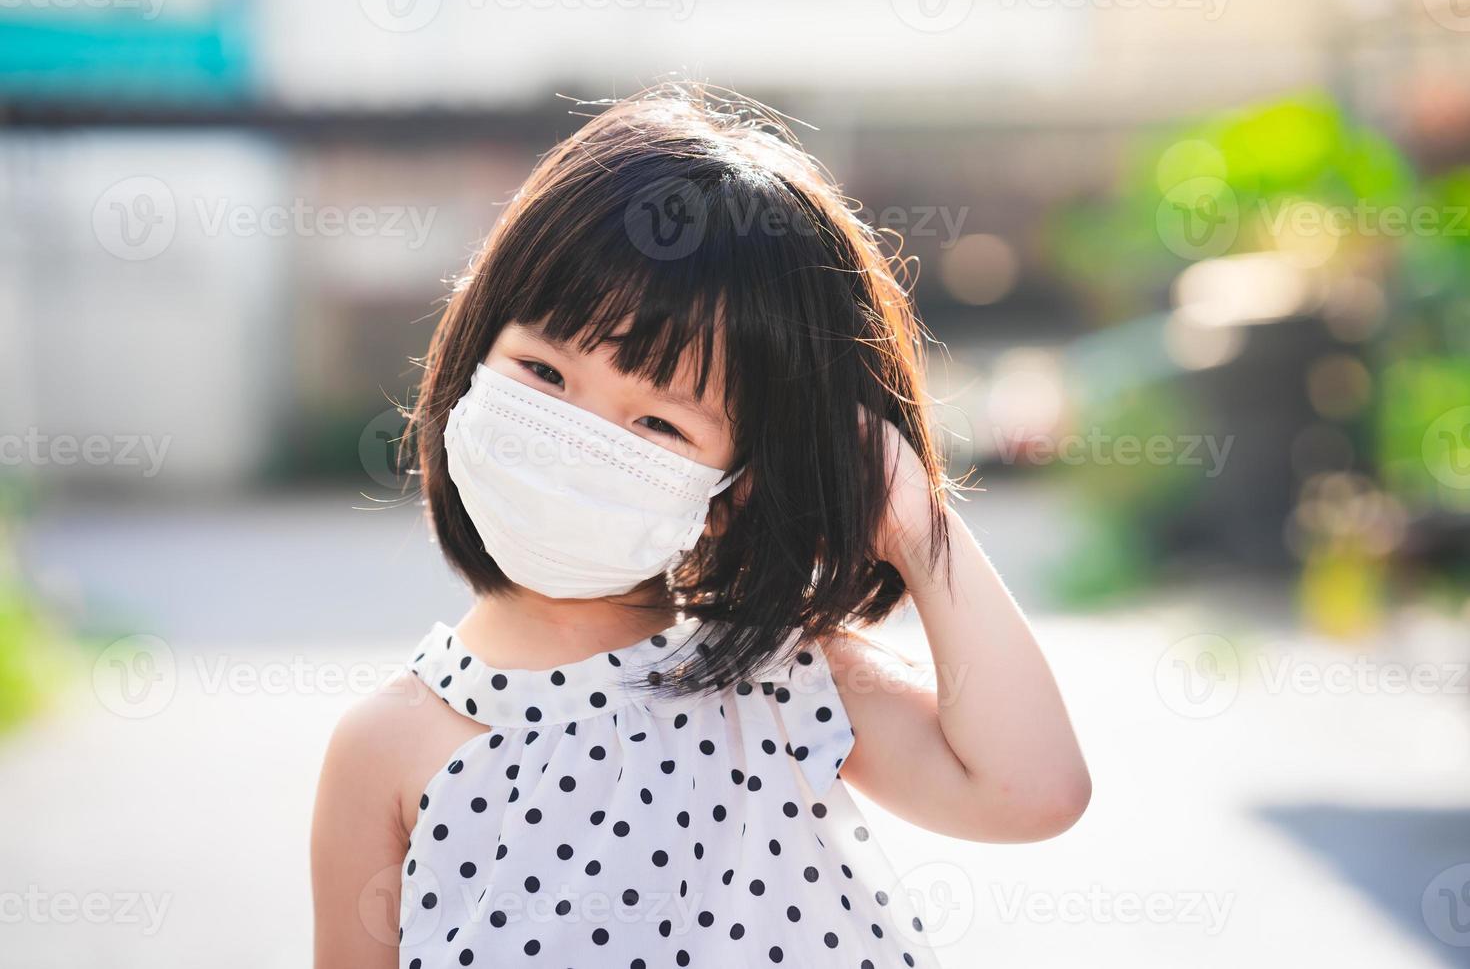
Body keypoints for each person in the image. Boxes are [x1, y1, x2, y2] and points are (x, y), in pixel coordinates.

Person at [311, 83, 1090, 969]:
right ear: (473, 349)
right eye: (544, 371)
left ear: (736, 487)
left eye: (658, 423)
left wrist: (915, 523)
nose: (582, 438)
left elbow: (1035, 792)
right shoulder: (385, 745)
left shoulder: (782, 677)